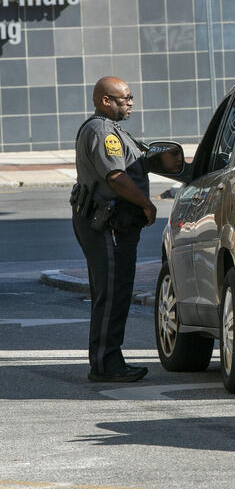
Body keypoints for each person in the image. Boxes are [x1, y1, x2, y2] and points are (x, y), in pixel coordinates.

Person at [71, 76, 157, 383]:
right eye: (125, 98)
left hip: (111, 223)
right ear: (105, 101)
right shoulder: (101, 131)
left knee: (113, 290)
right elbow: (117, 178)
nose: (131, 102)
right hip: (106, 224)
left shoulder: (113, 130)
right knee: (112, 292)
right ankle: (107, 363)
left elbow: (133, 164)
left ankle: (106, 359)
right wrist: (146, 204)